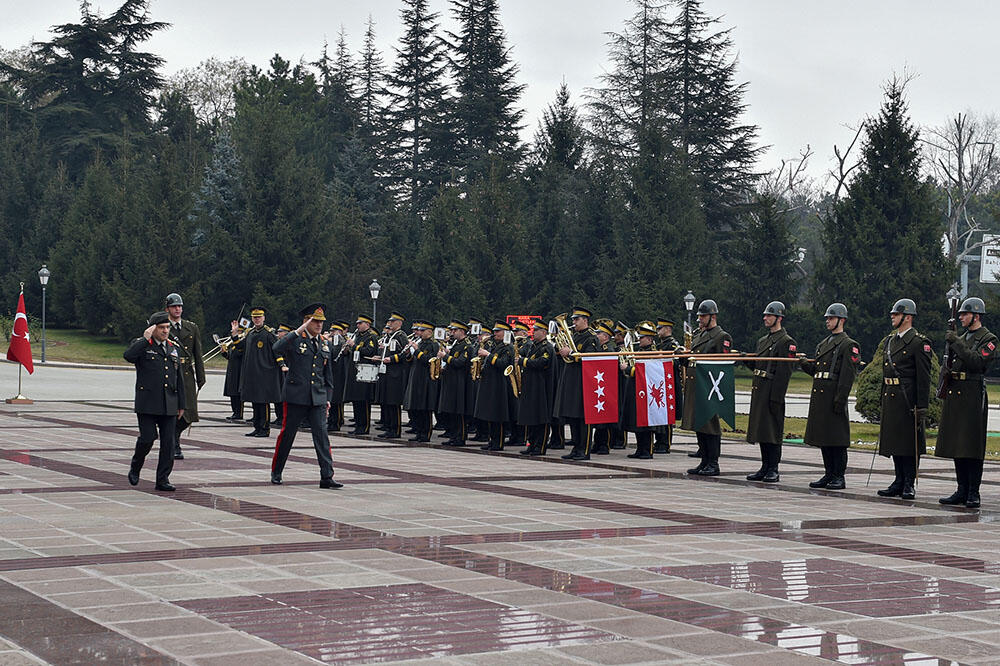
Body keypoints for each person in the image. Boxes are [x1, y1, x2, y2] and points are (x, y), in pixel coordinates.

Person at [270, 303, 342, 489]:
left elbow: (328, 375)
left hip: (317, 396)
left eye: (321, 322)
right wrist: (296, 331)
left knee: (322, 436)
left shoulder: (324, 343)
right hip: (296, 395)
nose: (319, 325)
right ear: (306, 321)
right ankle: (277, 471)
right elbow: (276, 348)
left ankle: (327, 476)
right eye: (315, 321)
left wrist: (327, 397)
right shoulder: (295, 339)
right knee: (288, 435)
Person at [936, 297, 997, 508]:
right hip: (956, 392)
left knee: (971, 444)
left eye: (965, 314)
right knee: (957, 444)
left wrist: (956, 342)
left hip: (972, 394)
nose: (961, 317)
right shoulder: (961, 336)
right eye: (960, 314)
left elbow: (977, 362)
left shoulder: (988, 339)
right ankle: (961, 489)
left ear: (976, 316)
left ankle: (973, 492)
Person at [123, 311, 186, 491]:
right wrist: (146, 338)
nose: (166, 331)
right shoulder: (142, 345)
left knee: (168, 444)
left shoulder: (173, 348)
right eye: (161, 328)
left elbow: (178, 377)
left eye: (167, 327)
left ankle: (163, 479)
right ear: (153, 328)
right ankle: (136, 466)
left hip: (169, 403)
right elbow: (128, 356)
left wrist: (182, 404)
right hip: (148, 403)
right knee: (147, 438)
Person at [875, 299, 931, 500]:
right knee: (895, 442)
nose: (892, 316)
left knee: (909, 443)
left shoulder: (918, 342)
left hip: (908, 398)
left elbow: (924, 378)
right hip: (892, 396)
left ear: (907, 317)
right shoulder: (891, 341)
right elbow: (885, 372)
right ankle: (898, 480)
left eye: (896, 314)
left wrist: (922, 406)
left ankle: (908, 482)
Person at [800, 303, 860, 491]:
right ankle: (828, 473)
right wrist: (803, 363)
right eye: (827, 318)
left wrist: (840, 399)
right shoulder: (823, 344)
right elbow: (818, 371)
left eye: (831, 318)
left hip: (834, 396)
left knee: (837, 439)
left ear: (841, 320)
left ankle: (838, 476)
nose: (827, 321)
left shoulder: (848, 345)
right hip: (821, 397)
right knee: (824, 438)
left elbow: (847, 376)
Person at [744, 301, 797, 483]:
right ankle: (764, 466)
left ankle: (773, 468)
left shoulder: (786, 342)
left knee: (773, 431)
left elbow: (784, 373)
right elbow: (760, 366)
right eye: (765, 315)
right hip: (760, 390)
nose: (765, 318)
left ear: (779, 318)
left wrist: (776, 398)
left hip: (772, 391)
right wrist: (747, 360)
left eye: (769, 315)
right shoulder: (763, 341)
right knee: (762, 431)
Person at [682, 300, 733, 476]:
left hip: (710, 387)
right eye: (699, 316)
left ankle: (713, 462)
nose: (700, 320)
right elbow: (693, 359)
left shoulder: (721, 337)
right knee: (700, 425)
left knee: (710, 426)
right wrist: (683, 357)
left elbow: (721, 364)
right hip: (697, 385)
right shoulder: (699, 335)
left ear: (713, 316)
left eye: (703, 316)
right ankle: (704, 460)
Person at [554, 307, 600, 461]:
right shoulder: (573, 336)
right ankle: (576, 447)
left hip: (584, 381)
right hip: (571, 379)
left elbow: (590, 357)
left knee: (583, 417)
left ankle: (584, 449)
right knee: (573, 416)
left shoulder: (591, 337)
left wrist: (571, 353)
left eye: (576, 319)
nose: (573, 322)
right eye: (573, 319)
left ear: (585, 320)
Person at [164, 293, 205, 460]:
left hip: (187, 374)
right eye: (174, 306)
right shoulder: (164, 327)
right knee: (173, 410)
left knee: (189, 412)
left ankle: (175, 436)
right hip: (171, 372)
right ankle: (174, 443)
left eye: (180, 306)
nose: (178, 309)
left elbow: (198, 353)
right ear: (167, 309)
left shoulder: (191, 327)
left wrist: (201, 376)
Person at [240, 308, 281, 437]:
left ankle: (264, 428)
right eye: (254, 317)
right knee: (254, 402)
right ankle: (257, 427)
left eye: (259, 317)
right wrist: (234, 335)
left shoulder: (268, 334)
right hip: (252, 373)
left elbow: (277, 351)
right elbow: (240, 346)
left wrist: (281, 364)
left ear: (264, 318)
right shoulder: (250, 333)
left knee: (263, 402)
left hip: (264, 373)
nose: (257, 320)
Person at [620, 322, 658, 459]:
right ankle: (640, 448)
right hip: (637, 389)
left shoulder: (653, 352)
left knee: (646, 423)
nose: (638, 340)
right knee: (637, 421)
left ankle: (648, 450)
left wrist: (628, 369)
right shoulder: (640, 352)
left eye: (641, 338)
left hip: (648, 391)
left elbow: (647, 371)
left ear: (649, 339)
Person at [474, 321, 514, 451]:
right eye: (494, 331)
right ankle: (492, 440)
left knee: (498, 415)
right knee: (490, 414)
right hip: (490, 383)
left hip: (500, 385)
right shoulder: (494, 345)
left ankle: (499, 442)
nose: (494, 333)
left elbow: (504, 364)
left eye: (498, 331)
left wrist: (488, 355)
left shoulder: (507, 347)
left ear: (505, 333)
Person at [518, 320, 555, 455]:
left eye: (536, 330)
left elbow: (542, 362)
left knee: (541, 418)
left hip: (541, 388)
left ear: (544, 332)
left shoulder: (547, 347)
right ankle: (532, 444)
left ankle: (540, 446)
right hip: (531, 386)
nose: (533, 333)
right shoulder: (534, 345)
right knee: (531, 416)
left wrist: (523, 361)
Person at [403, 320, 440, 442]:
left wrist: (416, 350)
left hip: (426, 378)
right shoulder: (421, 342)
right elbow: (412, 360)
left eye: (422, 331)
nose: (419, 333)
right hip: (416, 377)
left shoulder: (433, 344)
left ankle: (425, 433)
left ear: (429, 331)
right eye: (419, 330)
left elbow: (428, 360)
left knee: (424, 408)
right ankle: (419, 432)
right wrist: (408, 353)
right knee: (417, 407)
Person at [438, 320, 473, 446]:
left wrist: (445, 357)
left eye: (454, 330)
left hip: (461, 383)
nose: (452, 333)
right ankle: (453, 436)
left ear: (462, 331)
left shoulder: (467, 345)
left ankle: (460, 437)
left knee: (459, 412)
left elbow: (460, 362)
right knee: (452, 411)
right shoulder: (457, 344)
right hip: (452, 381)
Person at [343, 315, 379, 435]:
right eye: (357, 323)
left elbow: (369, 351)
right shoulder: (357, 336)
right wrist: (348, 349)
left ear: (367, 324)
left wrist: (354, 346)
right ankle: (358, 425)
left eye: (360, 323)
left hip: (365, 371)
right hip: (355, 370)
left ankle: (364, 427)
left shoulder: (371, 337)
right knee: (356, 400)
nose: (357, 325)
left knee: (363, 401)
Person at [377, 312, 409, 439]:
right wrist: (380, 357)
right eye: (390, 321)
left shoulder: (401, 336)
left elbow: (404, 352)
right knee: (388, 401)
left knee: (393, 402)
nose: (390, 324)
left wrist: (392, 359)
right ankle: (389, 427)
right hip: (387, 372)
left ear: (399, 323)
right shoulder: (390, 336)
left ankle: (395, 429)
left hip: (396, 373)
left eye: (393, 321)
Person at [654, 318, 680, 453]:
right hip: (660, 383)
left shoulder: (672, 345)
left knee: (667, 414)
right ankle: (659, 441)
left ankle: (665, 443)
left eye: (660, 328)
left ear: (668, 329)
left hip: (669, 382)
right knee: (659, 412)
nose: (658, 331)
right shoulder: (660, 345)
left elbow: (676, 363)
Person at [221, 323, 245, 422]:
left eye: (237, 331)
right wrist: (224, 353)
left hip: (239, 371)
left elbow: (240, 354)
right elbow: (231, 357)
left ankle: (238, 413)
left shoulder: (241, 344)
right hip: (232, 371)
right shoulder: (232, 345)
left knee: (237, 393)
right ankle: (234, 412)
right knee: (231, 392)